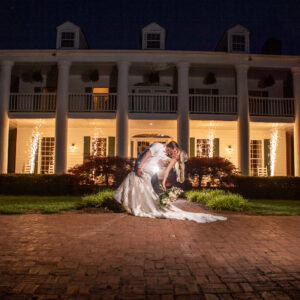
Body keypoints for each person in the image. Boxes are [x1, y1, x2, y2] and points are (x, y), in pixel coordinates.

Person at [113, 141, 227, 223]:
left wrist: (163, 182)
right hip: (142, 171)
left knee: (145, 195)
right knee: (133, 186)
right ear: (171, 147)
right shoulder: (158, 146)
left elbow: (165, 169)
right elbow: (147, 154)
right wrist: (139, 166)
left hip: (148, 175)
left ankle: (136, 206)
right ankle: (124, 204)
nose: (175, 153)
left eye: (176, 152)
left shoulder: (166, 155)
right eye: (175, 151)